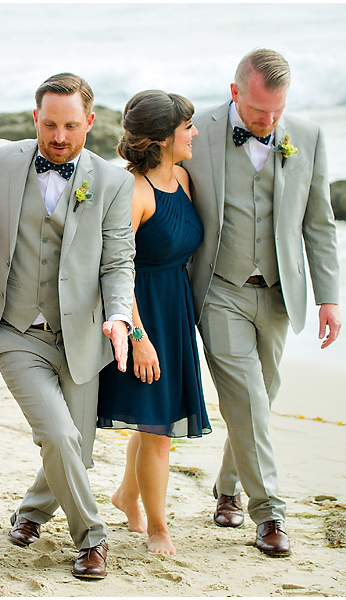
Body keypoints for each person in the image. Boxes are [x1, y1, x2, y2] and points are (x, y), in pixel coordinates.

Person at [0, 73, 135, 580]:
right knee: (56, 435)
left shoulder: (114, 182)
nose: (58, 138)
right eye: (49, 125)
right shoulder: (0, 157)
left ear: (90, 124)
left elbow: (119, 261)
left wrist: (119, 317)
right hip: (15, 328)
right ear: (36, 118)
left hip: (81, 334)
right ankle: (92, 540)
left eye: (70, 127)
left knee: (77, 449)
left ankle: (31, 512)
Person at [183, 48, 342, 557]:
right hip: (218, 289)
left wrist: (328, 298)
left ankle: (227, 486)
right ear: (235, 93)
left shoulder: (309, 136)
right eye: (257, 113)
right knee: (248, 399)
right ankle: (269, 513)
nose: (268, 122)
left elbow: (319, 223)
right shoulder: (198, 130)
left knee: (259, 400)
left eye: (276, 112)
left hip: (278, 294)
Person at [97, 90, 211, 556]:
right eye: (187, 127)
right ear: (164, 138)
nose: (195, 133)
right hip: (143, 316)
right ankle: (159, 528)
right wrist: (138, 337)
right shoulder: (134, 192)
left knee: (155, 423)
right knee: (159, 432)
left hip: (175, 310)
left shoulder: (183, 177)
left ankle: (127, 495)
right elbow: (116, 267)